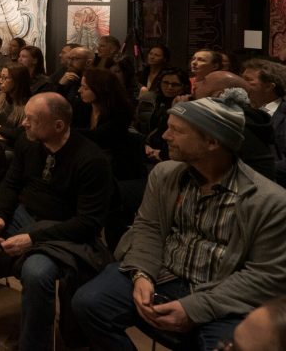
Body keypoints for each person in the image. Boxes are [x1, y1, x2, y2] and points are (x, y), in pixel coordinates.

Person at [71, 89, 286, 350]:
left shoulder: (269, 201)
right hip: (164, 273)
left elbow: (264, 276)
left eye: (177, 130)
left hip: (219, 292)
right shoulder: (166, 174)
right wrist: (141, 274)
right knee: (89, 302)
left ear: (212, 143)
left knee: (230, 344)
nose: (165, 136)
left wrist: (194, 308)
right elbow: (148, 227)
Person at [0, 93, 112, 350]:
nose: (23, 124)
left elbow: (88, 223)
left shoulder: (91, 160)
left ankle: (33, 345)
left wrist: (32, 239)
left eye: (31, 119)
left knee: (36, 272)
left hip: (62, 231)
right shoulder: (29, 144)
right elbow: (11, 184)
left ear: (58, 126)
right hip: (24, 216)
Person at [0, 64, 31, 150]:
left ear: (18, 81)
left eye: (5, 78)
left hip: (12, 149)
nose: (0, 81)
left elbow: (18, 134)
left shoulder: (30, 104)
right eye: (1, 77)